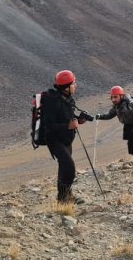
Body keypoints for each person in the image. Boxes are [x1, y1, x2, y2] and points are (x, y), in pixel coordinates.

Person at [39, 70, 92, 204]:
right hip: (55, 140)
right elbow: (49, 126)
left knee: (63, 168)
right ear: (66, 86)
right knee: (69, 168)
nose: (76, 86)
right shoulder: (52, 101)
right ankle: (64, 196)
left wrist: (78, 121)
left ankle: (64, 198)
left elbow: (68, 117)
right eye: (73, 83)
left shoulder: (67, 98)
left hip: (66, 139)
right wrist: (68, 126)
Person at [96, 86, 133, 173]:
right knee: (132, 149)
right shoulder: (117, 106)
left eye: (115, 97)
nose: (113, 100)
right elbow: (110, 115)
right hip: (129, 127)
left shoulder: (132, 104)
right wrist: (100, 116)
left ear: (121, 96)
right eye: (112, 97)